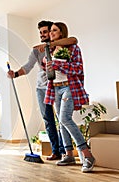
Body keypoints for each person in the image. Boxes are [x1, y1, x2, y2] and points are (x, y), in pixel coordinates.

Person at [8, 20, 77, 160]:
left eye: (46, 31)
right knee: (48, 118)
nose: (43, 34)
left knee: (61, 118)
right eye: (41, 32)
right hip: (42, 88)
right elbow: (27, 67)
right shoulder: (37, 50)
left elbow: (73, 40)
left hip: (58, 86)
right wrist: (15, 74)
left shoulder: (61, 45)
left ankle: (66, 151)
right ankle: (55, 151)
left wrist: (50, 45)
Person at [45, 22, 95, 172]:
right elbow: (52, 71)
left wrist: (57, 65)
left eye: (54, 30)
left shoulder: (72, 48)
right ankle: (69, 155)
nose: (51, 33)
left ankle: (87, 156)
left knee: (65, 118)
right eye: (50, 31)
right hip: (56, 88)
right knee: (61, 122)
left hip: (69, 87)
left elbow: (78, 68)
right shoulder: (52, 50)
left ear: (62, 32)